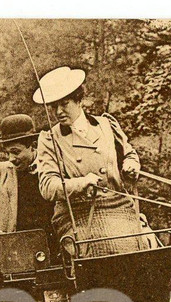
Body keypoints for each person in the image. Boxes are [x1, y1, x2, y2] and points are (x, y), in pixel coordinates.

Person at [33, 66, 152, 257]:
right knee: (107, 251)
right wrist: (81, 183)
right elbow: (48, 187)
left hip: (121, 206)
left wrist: (131, 165)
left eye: (65, 103)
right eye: (53, 106)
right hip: (78, 215)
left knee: (152, 247)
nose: (58, 111)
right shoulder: (50, 139)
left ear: (79, 100)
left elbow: (129, 154)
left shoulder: (106, 125)